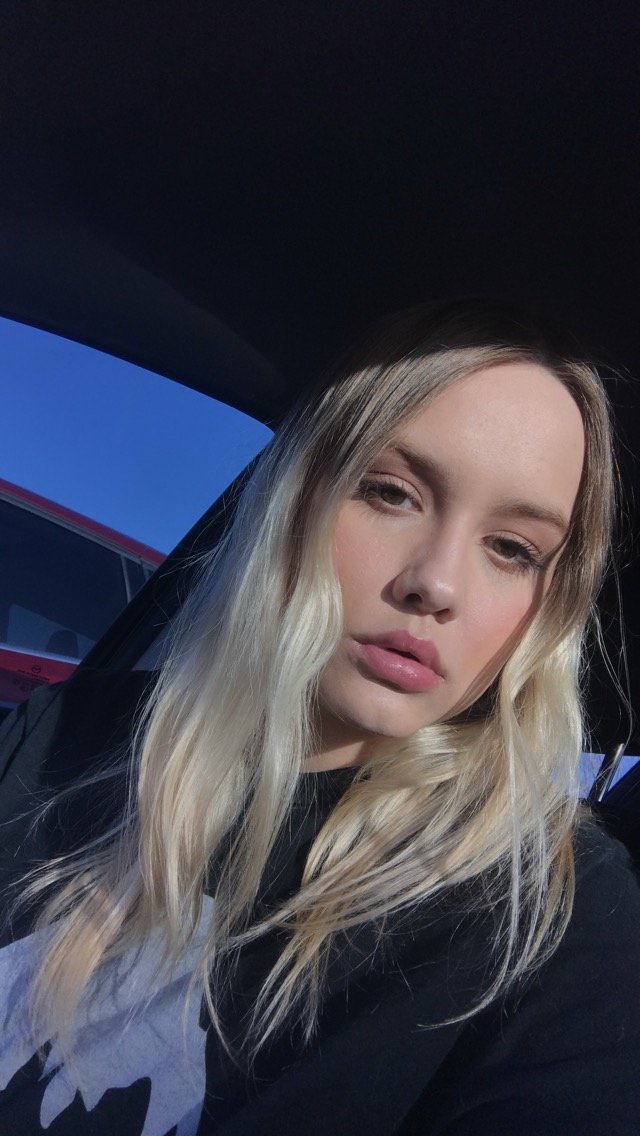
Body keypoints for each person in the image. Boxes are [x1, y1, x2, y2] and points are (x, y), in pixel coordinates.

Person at [0, 298, 638, 1136]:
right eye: (392, 492)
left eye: (512, 549)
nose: (436, 583)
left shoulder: (556, 915)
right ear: (298, 493)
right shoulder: (64, 732)